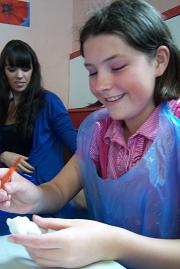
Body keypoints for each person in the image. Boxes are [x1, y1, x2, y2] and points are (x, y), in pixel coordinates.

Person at [0, 1, 180, 268]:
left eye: (117, 67)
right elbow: (59, 189)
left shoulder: (175, 130)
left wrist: (112, 244)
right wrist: (32, 196)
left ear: (159, 61)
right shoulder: (96, 130)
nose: (101, 85)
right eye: (92, 71)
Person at [0, 40, 83, 235]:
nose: (19, 76)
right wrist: (3, 155)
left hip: (37, 184)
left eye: (25, 68)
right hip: (6, 182)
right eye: (12, 69)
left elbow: (75, 143)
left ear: (33, 71)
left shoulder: (48, 101)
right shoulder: (2, 105)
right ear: (3, 72)